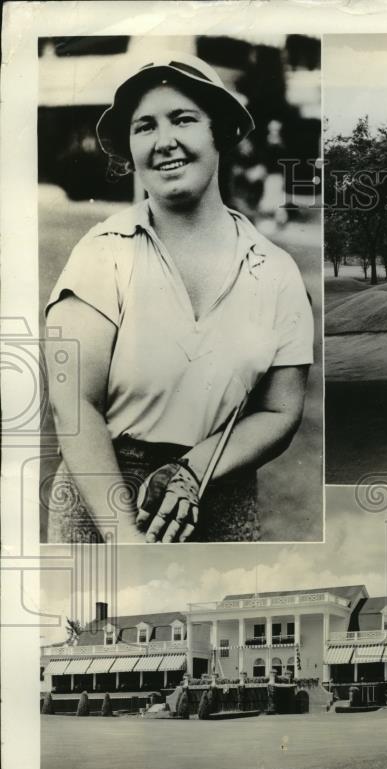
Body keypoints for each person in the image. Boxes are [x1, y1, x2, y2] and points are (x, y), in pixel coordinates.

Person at [44, 53, 314, 545]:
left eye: (183, 119)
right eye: (145, 126)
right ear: (131, 148)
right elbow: (74, 404)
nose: (164, 141)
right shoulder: (102, 254)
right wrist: (123, 535)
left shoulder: (275, 271)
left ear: (221, 133)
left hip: (220, 493)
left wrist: (194, 469)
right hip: (103, 499)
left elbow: (281, 411)